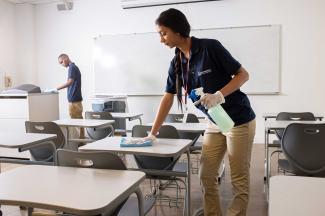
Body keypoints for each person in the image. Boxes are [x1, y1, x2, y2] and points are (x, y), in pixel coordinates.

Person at [146, 8, 256, 216]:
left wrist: (219, 95)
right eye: (159, 34)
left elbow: (243, 75)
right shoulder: (176, 62)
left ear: (178, 30)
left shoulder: (209, 48)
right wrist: (153, 133)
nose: (161, 39)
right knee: (206, 175)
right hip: (215, 122)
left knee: (238, 178)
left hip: (239, 120)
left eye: (163, 33)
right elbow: (168, 97)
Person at [57, 53, 84, 139]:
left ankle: (79, 141)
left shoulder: (72, 68)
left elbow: (70, 82)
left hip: (74, 101)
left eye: (61, 62)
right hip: (76, 100)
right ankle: (81, 139)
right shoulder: (73, 67)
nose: (62, 64)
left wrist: (56, 88)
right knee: (78, 121)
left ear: (65, 59)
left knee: (76, 122)